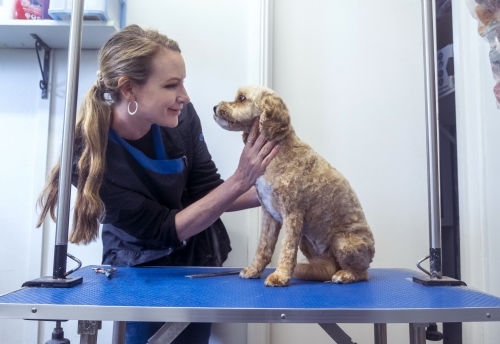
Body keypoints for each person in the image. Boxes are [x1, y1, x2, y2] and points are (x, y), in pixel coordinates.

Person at [36, 24, 279, 344]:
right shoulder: (86, 157)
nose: (185, 96)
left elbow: (207, 192)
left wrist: (275, 190)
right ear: (129, 89)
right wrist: (241, 179)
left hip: (196, 266)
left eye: (183, 83)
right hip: (137, 272)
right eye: (171, 85)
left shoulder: (182, 117)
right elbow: (163, 228)